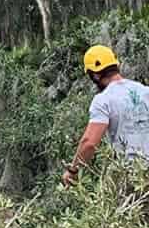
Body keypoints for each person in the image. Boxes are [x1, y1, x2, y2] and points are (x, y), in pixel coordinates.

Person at [62, 45, 149, 187]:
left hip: (131, 176)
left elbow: (89, 142)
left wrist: (73, 170)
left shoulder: (103, 100)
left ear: (95, 75)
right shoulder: (145, 91)